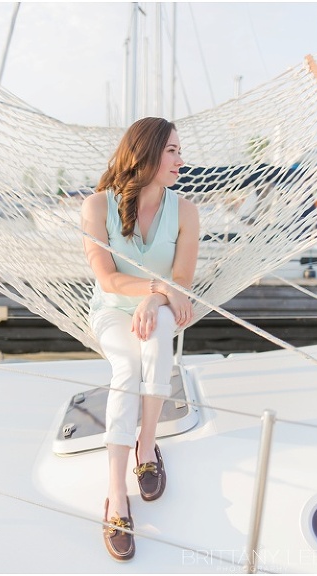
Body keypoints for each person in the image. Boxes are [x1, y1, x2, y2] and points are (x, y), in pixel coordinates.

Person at [81, 117, 199, 561]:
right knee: (127, 367)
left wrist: (158, 298)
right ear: (145, 153)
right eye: (171, 150)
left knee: (157, 342)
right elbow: (108, 280)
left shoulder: (184, 209)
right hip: (112, 311)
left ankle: (145, 445)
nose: (180, 159)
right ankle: (115, 495)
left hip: (164, 306)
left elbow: (181, 279)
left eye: (179, 150)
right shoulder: (97, 207)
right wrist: (154, 290)